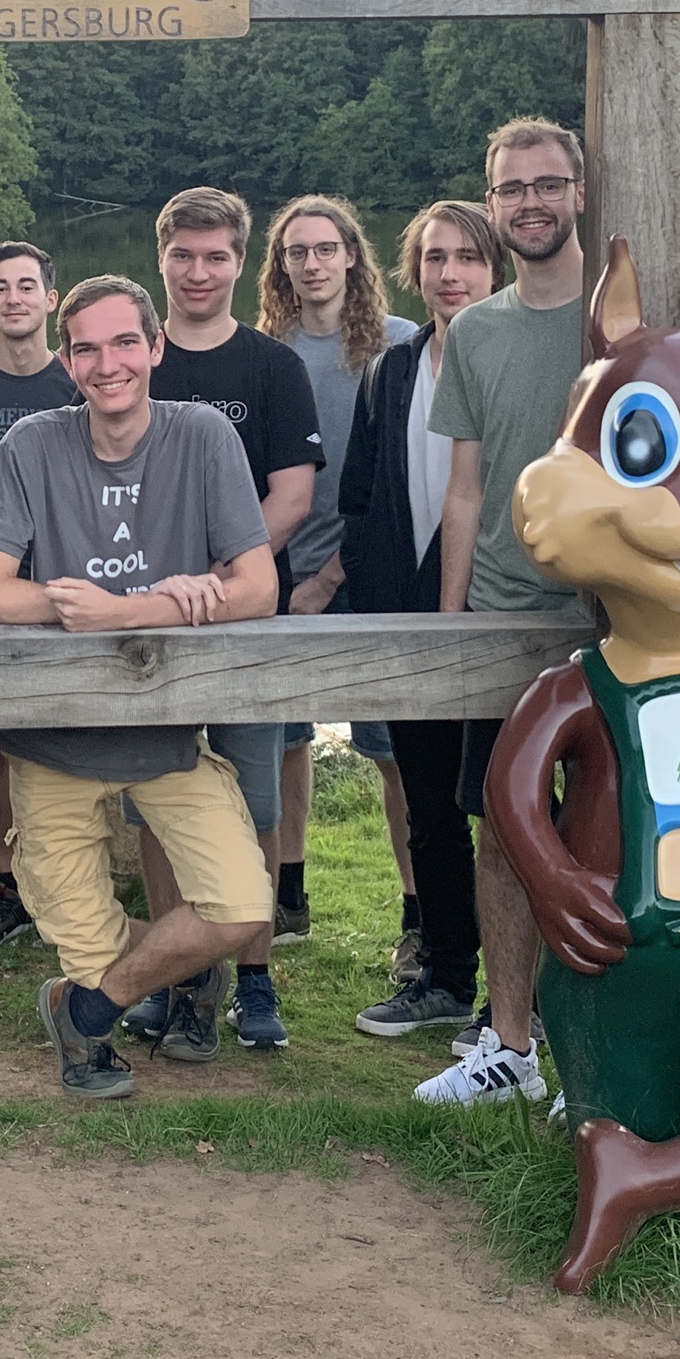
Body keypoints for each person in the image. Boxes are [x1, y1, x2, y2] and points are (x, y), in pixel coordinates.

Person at [0, 277, 281, 1098]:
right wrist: (110, 611)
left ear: (156, 348)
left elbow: (257, 588)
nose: (109, 365)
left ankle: (85, 1014)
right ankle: (154, 988)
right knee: (96, 942)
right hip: (51, 742)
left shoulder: (203, 435)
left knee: (243, 909)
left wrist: (135, 608)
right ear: (68, 361)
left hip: (165, 737)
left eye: (124, 344)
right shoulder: (33, 443)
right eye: (88, 349)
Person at [421, 116, 595, 1108]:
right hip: (501, 616)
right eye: (511, 188)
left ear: (577, 191)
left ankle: (596, 1053)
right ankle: (513, 1045)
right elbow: (464, 493)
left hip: (608, 621)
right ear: (493, 207)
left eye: (546, 183)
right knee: (502, 827)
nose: (529, 202)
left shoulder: (625, 318)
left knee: (608, 834)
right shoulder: (474, 330)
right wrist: (454, 631)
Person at [134, 185, 324, 1054]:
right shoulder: (135, 361)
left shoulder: (272, 367)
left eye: (216, 257)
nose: (199, 272)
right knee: (157, 798)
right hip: (152, 620)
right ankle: (174, 978)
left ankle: (254, 978)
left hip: (247, 615)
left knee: (252, 798)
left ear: (241, 263)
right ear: (161, 257)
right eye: (184, 255)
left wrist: (221, 573)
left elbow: (294, 492)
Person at [339, 201, 508, 1039]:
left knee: (509, 810)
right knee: (431, 813)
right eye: (436, 258)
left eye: (469, 258)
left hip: (505, 623)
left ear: (496, 268)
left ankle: (518, 1002)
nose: (451, 274)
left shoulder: (520, 361)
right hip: (411, 623)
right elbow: (362, 498)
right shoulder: (390, 371)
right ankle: (444, 976)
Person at [255, 193, 418, 952]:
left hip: (372, 574)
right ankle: (288, 896)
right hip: (282, 572)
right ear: (281, 267)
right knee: (284, 737)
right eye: (297, 252)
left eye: (326, 249)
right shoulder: (269, 354)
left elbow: (396, 486)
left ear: (353, 255)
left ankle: (421, 916)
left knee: (393, 753)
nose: (313, 263)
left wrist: (331, 575)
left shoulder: (399, 347)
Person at [0, 240, 80, 954]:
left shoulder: (78, 380)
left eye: (27, 285)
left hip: (66, 585)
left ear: (50, 299)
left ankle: (65, 884)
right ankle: (8, 887)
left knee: (69, 739)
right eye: (1, 287)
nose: (14, 298)